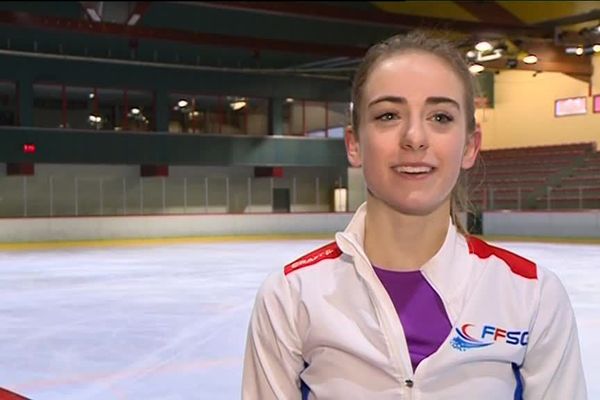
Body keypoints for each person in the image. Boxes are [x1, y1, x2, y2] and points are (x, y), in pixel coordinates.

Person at [242, 31, 587, 399]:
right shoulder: (290, 297)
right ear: (354, 144)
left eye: (440, 116)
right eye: (388, 115)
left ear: (470, 146)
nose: (415, 137)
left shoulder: (531, 295)